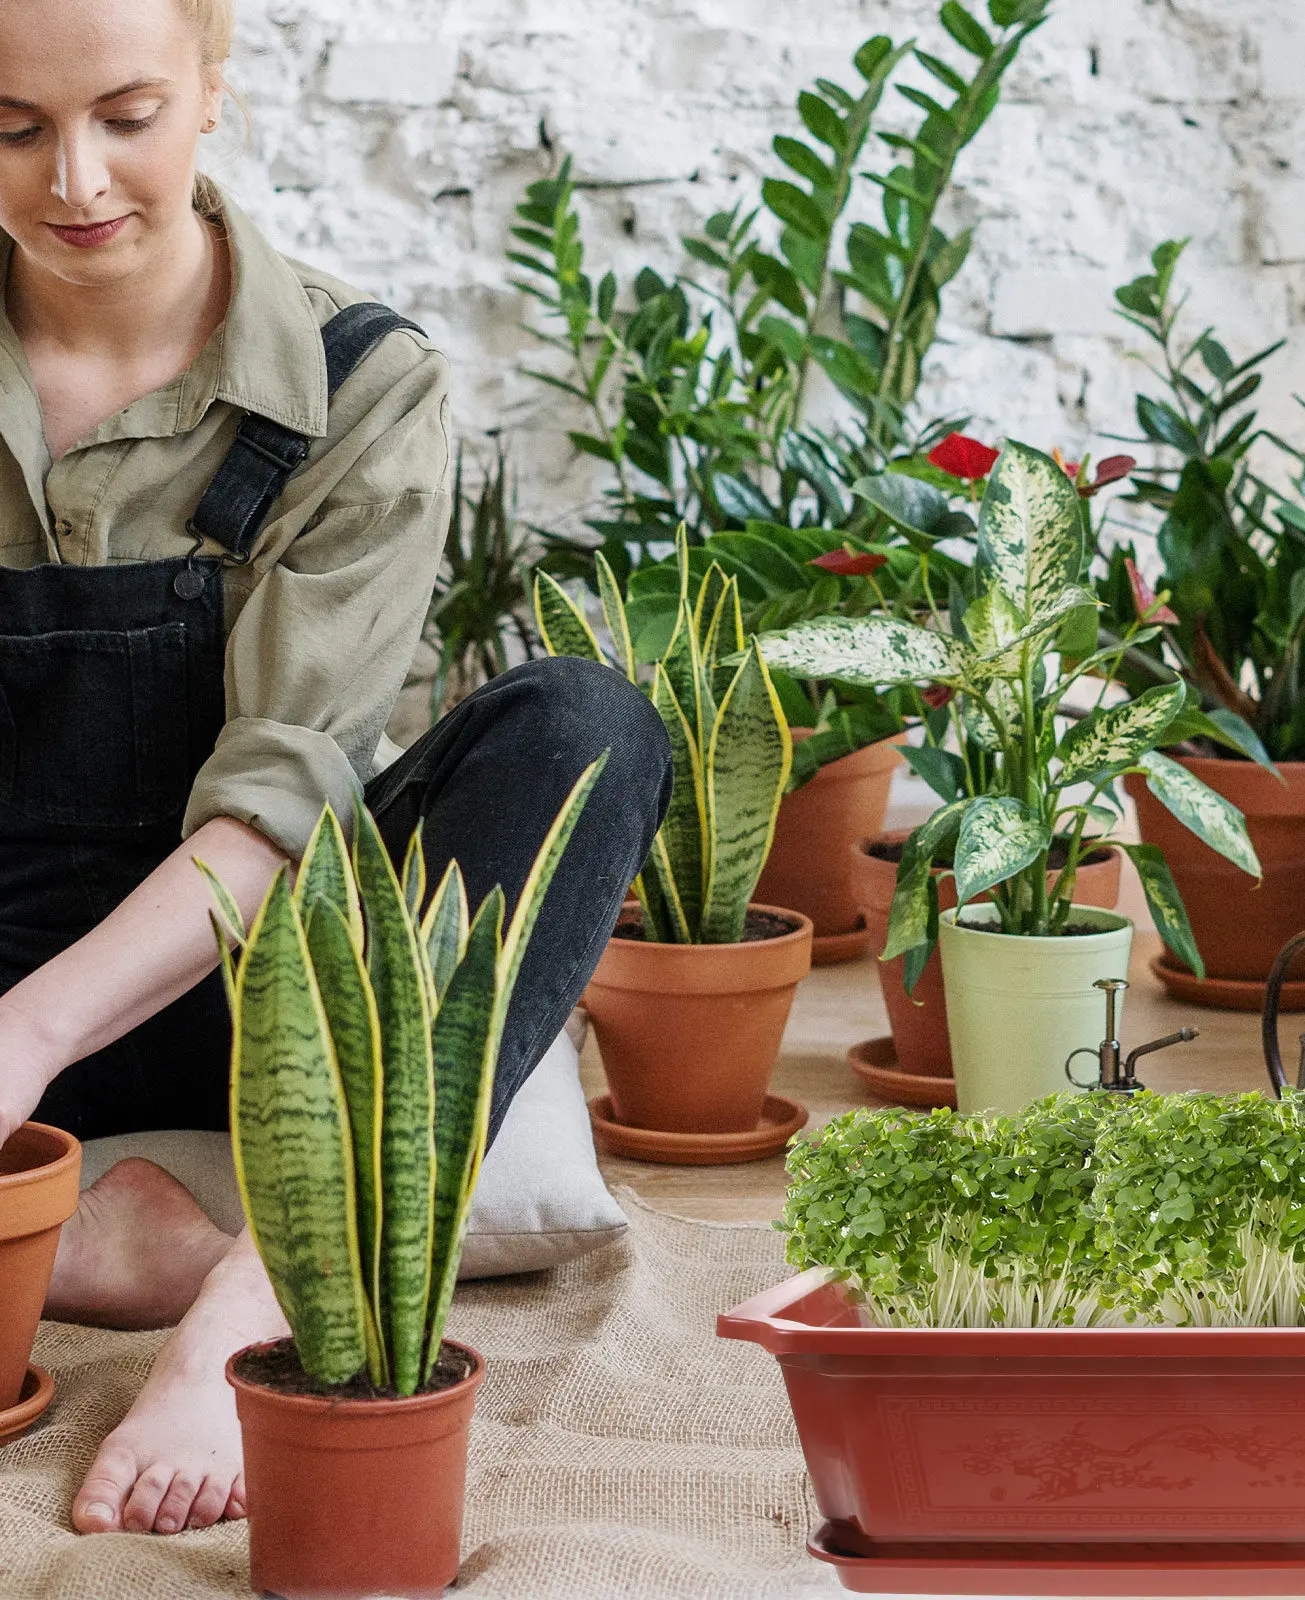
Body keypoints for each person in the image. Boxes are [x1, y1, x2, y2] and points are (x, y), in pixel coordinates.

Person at [0, 0, 670, 1538]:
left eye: (127, 115)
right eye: (13, 128)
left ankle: (258, 1282)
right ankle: (98, 1237)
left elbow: (280, 802)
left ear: (214, 88)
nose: (76, 179)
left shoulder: (361, 384)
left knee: (584, 726)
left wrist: (22, 1044)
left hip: (261, 1000)